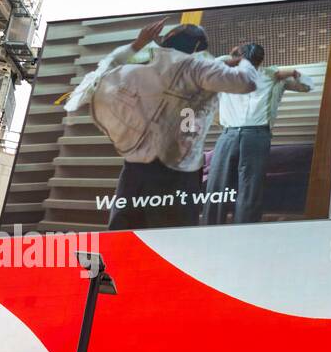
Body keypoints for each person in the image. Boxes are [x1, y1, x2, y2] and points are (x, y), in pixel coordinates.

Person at [66, 17, 260, 231]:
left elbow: (85, 90)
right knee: (171, 238)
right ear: (196, 49)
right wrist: (245, 59)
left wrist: (135, 45)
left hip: (134, 170)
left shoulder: (134, 68)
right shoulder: (195, 67)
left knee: (123, 234)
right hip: (176, 173)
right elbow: (247, 81)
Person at [203, 42, 311, 225]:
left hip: (257, 136)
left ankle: (245, 230)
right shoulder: (226, 75)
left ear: (260, 61)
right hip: (228, 135)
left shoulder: (274, 77)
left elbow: (307, 86)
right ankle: (210, 228)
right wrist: (232, 59)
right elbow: (212, 65)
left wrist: (293, 72)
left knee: (250, 188)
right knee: (216, 185)